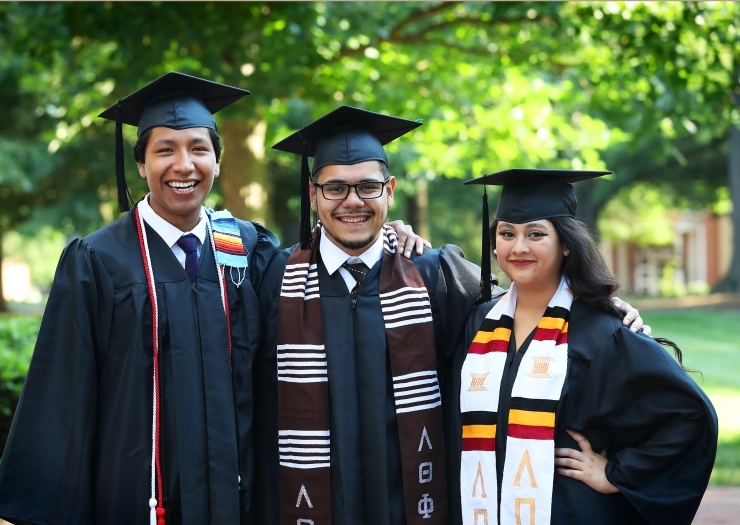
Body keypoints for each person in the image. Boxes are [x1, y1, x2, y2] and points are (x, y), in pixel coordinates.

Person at [252, 108, 647, 525]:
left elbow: (529, 305)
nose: (353, 201)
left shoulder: (434, 273)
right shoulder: (275, 280)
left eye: (368, 186)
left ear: (390, 190)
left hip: (416, 505)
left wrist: (597, 310)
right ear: (313, 196)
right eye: (335, 188)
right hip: (307, 503)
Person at [0, 72, 281, 525]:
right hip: (135, 500)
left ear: (218, 162)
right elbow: (61, 394)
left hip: (236, 498)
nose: (184, 165)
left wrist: (392, 241)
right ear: (141, 164)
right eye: (165, 150)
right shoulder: (98, 260)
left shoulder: (247, 249)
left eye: (199, 149)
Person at [451, 169, 717, 525]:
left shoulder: (600, 330)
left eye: (536, 234)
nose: (519, 247)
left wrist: (615, 474)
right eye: (506, 233)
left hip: (571, 512)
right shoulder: (480, 323)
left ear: (565, 243)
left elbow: (690, 417)